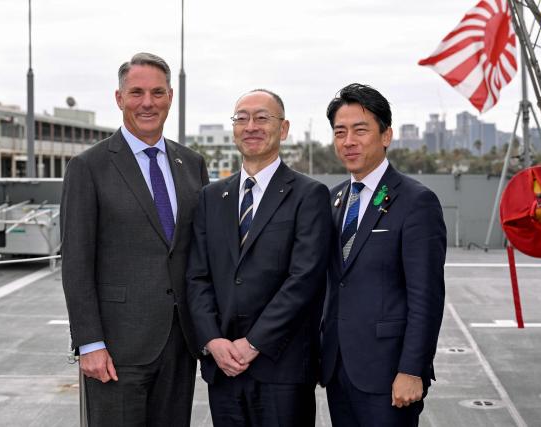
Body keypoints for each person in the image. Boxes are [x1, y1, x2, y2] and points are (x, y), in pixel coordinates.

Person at [60, 52, 209, 426]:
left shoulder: (191, 164)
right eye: (137, 92)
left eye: (158, 92)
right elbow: (76, 263)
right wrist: (90, 343)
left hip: (179, 344)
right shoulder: (88, 167)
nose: (148, 103)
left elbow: (200, 254)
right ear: (119, 98)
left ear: (170, 97)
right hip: (115, 349)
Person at [187, 89, 331, 426]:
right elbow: (197, 276)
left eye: (262, 117)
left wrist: (254, 343)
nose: (251, 126)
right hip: (223, 367)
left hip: (282, 368)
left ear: (283, 129)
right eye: (242, 118)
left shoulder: (309, 195)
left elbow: (304, 279)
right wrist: (213, 340)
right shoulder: (211, 197)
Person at [320, 83, 446, 426]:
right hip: (338, 368)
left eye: (361, 130)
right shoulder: (333, 200)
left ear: (386, 135)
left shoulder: (416, 202)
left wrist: (412, 369)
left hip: (389, 373)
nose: (349, 141)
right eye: (340, 132)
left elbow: (427, 297)